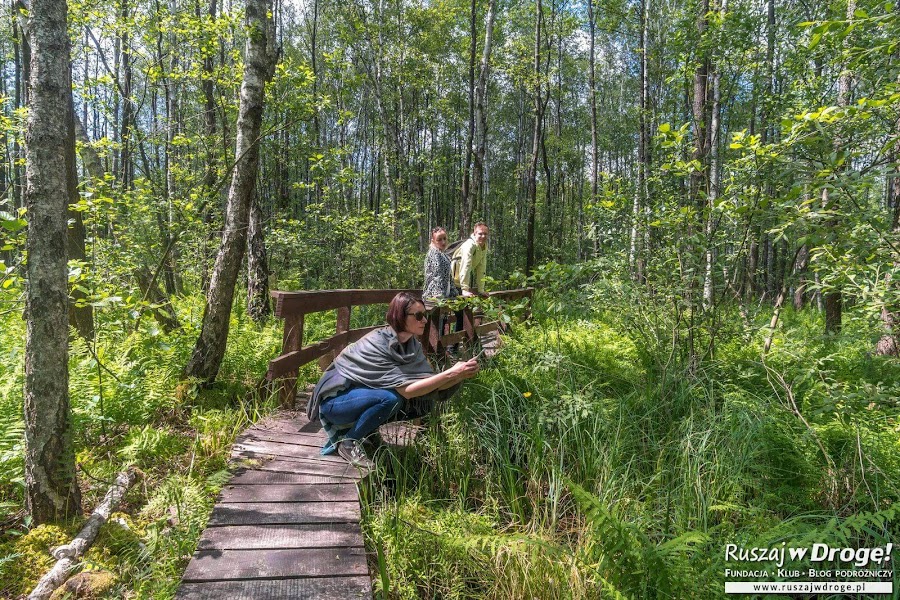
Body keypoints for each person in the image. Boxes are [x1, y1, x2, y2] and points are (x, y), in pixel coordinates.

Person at [307, 291, 480, 468]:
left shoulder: (412, 346)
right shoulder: (378, 342)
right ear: (400, 316)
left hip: (361, 396)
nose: (425, 321)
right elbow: (406, 390)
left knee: (420, 402)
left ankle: (367, 432)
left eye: (425, 315)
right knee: (390, 398)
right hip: (335, 402)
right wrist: (450, 373)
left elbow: (429, 383)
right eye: (419, 316)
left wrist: (460, 375)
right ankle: (348, 442)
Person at [452, 222, 490, 298]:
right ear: (475, 234)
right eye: (480, 234)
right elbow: (466, 266)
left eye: (485, 234)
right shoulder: (469, 245)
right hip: (453, 281)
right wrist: (465, 289)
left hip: (462, 282)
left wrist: (481, 290)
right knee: (456, 306)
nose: (483, 236)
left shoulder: (484, 246)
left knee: (463, 307)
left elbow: (481, 268)